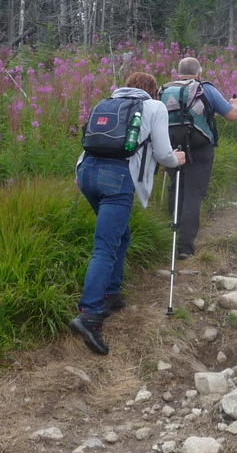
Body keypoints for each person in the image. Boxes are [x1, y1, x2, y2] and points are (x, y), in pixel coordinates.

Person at [71, 72, 185, 356]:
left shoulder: (106, 102)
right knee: (105, 246)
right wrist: (177, 159)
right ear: (153, 91)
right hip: (116, 178)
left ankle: (111, 295)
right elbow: (164, 154)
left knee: (120, 236)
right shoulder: (154, 106)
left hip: (86, 173)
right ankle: (90, 315)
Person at [164, 57, 237, 260]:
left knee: (176, 189)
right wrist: (236, 104)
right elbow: (231, 115)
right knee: (193, 195)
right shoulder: (205, 88)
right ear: (199, 74)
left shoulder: (165, 90)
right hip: (199, 149)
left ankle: (170, 238)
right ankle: (185, 247)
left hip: (171, 149)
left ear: (178, 73)